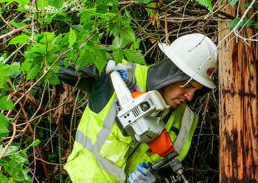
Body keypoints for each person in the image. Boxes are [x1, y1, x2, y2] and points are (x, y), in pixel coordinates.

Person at [58, 33, 218, 182]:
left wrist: (155, 180)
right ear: (172, 72)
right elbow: (57, 66)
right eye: (187, 85)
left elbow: (171, 174)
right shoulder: (121, 78)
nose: (190, 96)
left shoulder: (184, 122)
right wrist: (103, 67)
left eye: (197, 90)